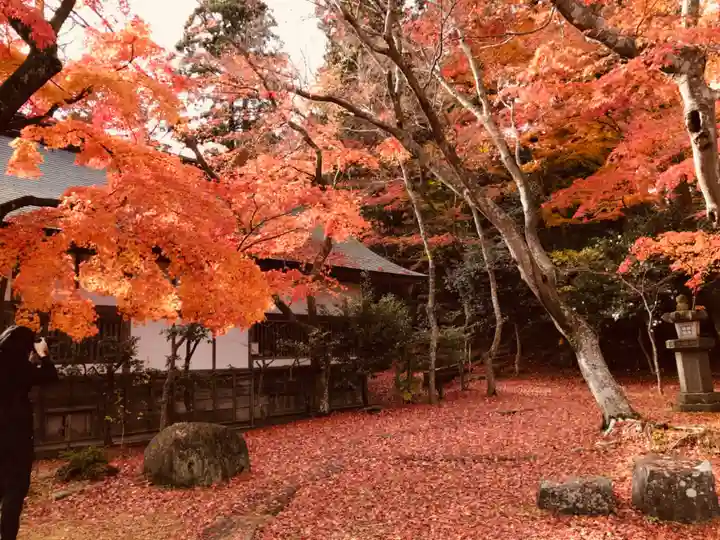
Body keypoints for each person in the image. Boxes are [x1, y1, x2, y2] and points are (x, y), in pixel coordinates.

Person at [0, 326, 58, 540]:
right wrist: (43, 355)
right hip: (17, 436)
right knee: (14, 491)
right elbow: (51, 376)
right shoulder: (20, 368)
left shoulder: (9, 364)